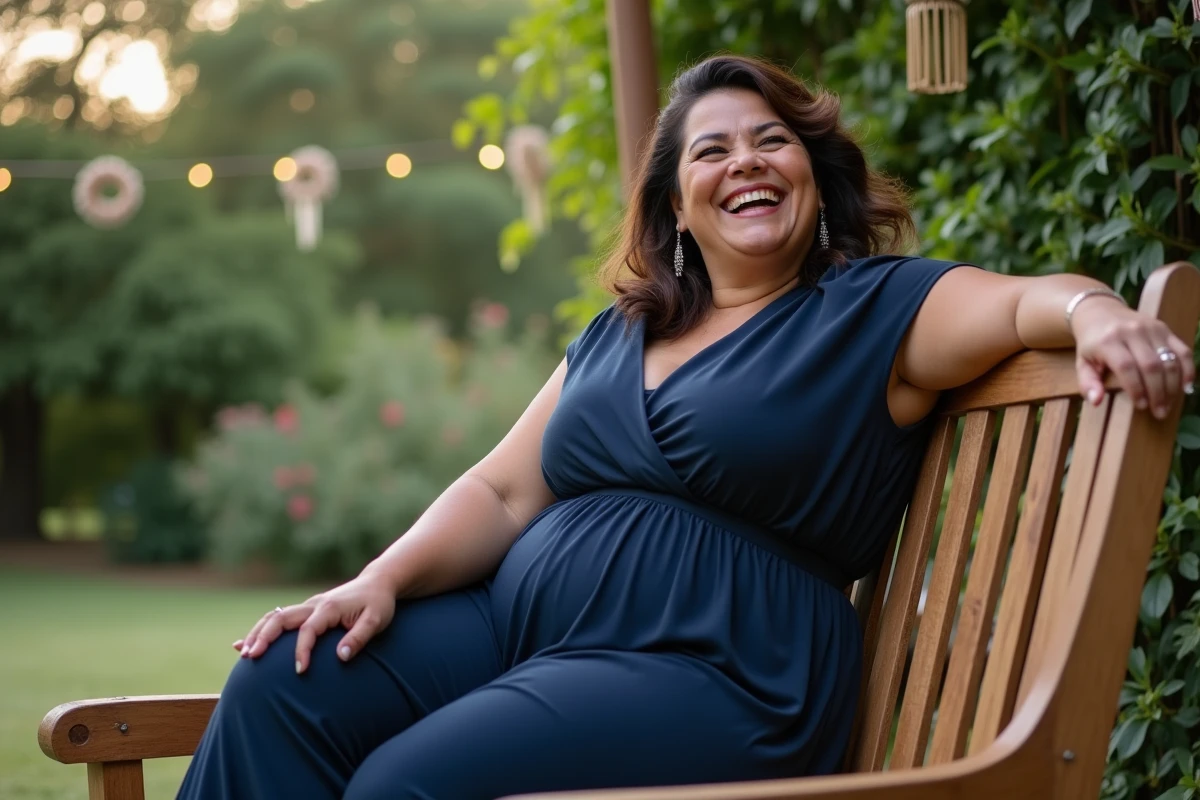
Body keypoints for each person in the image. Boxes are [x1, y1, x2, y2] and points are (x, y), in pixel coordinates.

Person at [177, 54, 1194, 800]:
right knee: (282, 683)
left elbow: (1026, 302)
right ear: (675, 204)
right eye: (713, 151)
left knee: (406, 786)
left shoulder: (874, 309)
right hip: (529, 628)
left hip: (720, 661)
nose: (746, 163)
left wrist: (1096, 312)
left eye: (772, 141)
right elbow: (501, 489)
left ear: (812, 171)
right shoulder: (622, 330)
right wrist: (379, 578)